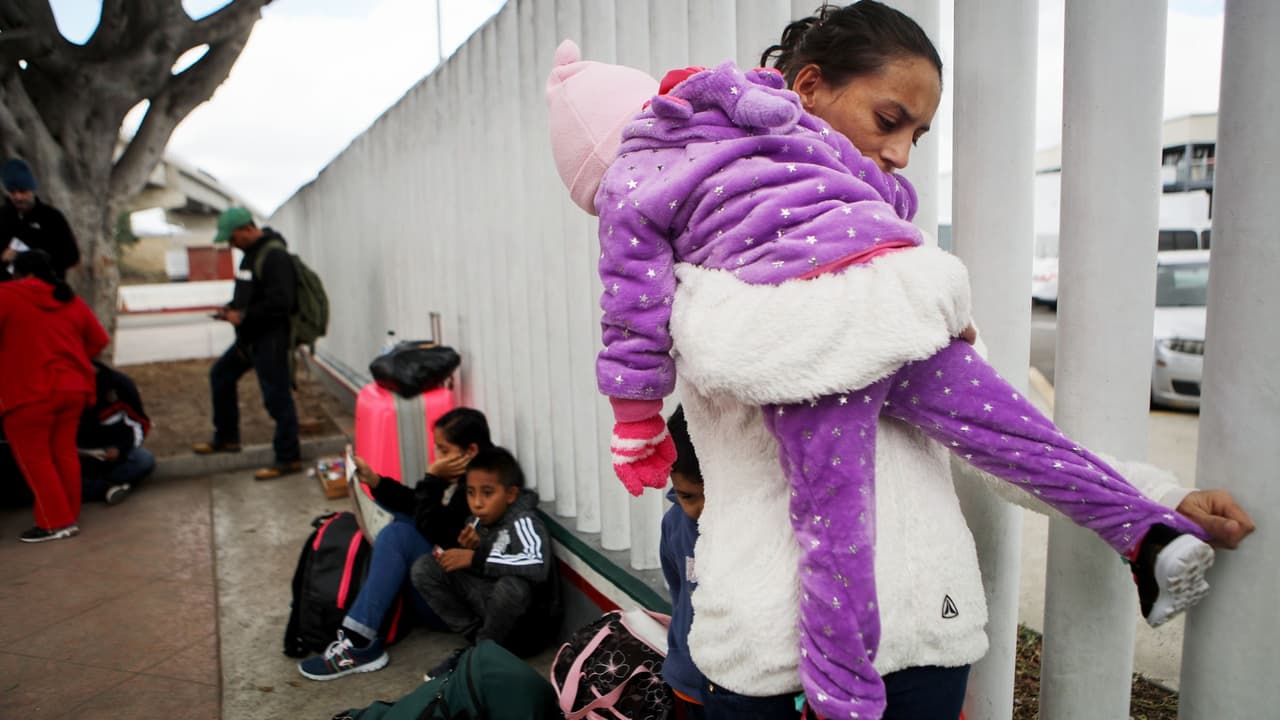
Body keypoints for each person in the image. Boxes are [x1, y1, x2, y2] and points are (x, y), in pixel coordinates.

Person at [548, 4, 1255, 717]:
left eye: (917, 135)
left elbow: (997, 436)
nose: (901, 154)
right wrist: (922, 299)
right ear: (807, 89)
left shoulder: (895, 255)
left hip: (925, 630)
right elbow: (769, 345)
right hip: (766, 648)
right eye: (889, 121)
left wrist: (1156, 499)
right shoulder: (692, 277)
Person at [297, 407, 492, 681]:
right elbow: (422, 510)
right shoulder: (475, 474)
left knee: (398, 534)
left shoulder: (483, 490)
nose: (438, 457)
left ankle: (358, 642)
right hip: (444, 583)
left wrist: (433, 480)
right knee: (399, 520)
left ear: (470, 451)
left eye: (444, 450)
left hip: (455, 607)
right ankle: (364, 624)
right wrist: (375, 481)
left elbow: (437, 528)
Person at [410, 446, 560, 680]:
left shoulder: (524, 521)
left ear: (510, 495)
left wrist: (476, 558)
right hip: (492, 619)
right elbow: (486, 564)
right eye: (471, 493)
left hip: (526, 630)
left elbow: (536, 564)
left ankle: (477, 654)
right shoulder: (477, 521)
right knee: (426, 568)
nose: (477, 503)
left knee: (512, 586)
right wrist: (474, 549)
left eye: (487, 493)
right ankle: (479, 641)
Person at [0, 250, 109, 542]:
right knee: (64, 453)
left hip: (28, 391)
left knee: (35, 459)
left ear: (18, 272)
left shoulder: (7, 295)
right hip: (72, 388)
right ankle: (67, 516)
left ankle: (55, 522)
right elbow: (99, 340)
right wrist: (73, 358)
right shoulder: (69, 298)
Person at [192, 206, 302, 480]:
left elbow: (282, 302)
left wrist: (243, 316)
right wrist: (230, 308)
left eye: (232, 238)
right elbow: (248, 295)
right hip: (249, 339)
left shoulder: (275, 256)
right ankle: (227, 438)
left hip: (270, 340)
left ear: (247, 229)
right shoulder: (249, 256)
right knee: (220, 375)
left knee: (277, 398)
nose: (231, 244)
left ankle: (288, 458)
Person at [77, 361, 155, 506]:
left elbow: (140, 424)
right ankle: (106, 488)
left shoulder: (119, 384)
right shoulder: (63, 390)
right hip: (76, 457)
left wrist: (119, 448)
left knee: (144, 460)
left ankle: (98, 486)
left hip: (111, 455)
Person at [0, 159, 79, 282]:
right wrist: (3, 258)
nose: (18, 197)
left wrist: (33, 258)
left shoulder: (52, 217)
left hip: (45, 287)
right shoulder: (2, 217)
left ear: (32, 190)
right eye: (12, 192)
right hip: (8, 288)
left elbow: (72, 256)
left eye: (23, 191)